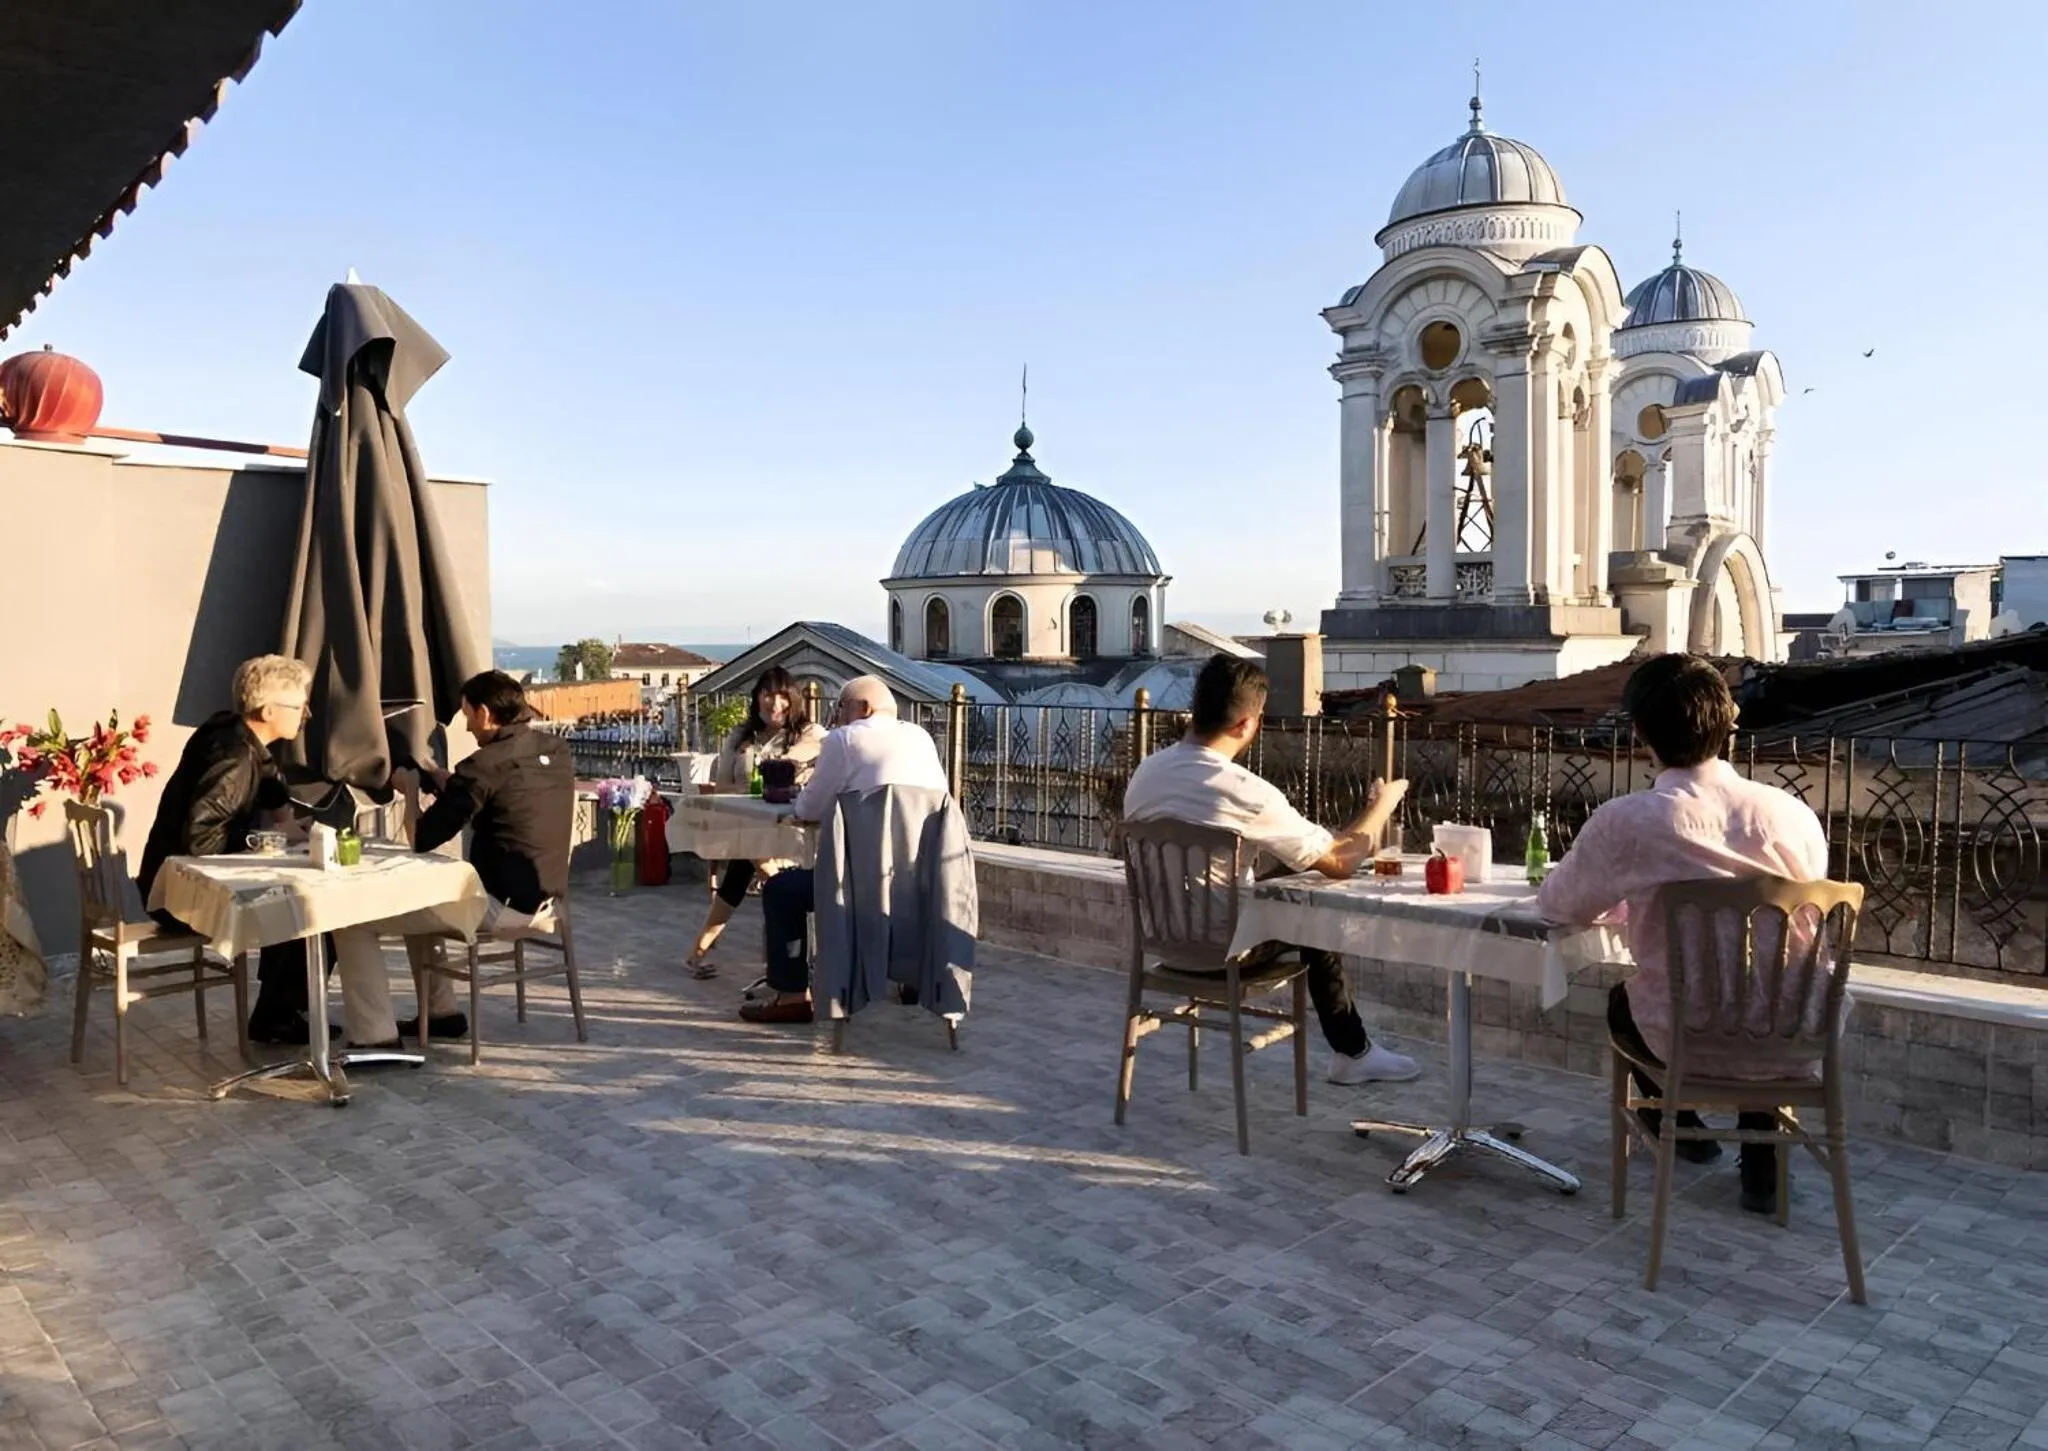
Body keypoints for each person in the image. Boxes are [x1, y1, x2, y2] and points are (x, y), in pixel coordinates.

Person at [1536, 652, 1829, 1216]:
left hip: (1683, 1040)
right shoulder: (1791, 814)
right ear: (1729, 722)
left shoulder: (1628, 822)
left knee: (1623, 1002)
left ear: (1639, 732)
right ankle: (1763, 1160)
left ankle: (1675, 1121)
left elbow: (1559, 904)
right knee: (1755, 989)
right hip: (1796, 1034)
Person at [1121, 655, 1419, 1086]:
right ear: (1247, 723)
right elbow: (1341, 863)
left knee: (1286, 869)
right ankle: (1352, 1052)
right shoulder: (1244, 792)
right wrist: (1381, 807)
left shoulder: (1145, 773)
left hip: (1164, 943)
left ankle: (1354, 1051)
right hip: (1226, 950)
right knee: (1313, 912)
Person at [331, 670, 576, 1045]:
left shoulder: (483, 765)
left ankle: (374, 1035)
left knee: (353, 920)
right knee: (423, 904)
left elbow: (422, 838)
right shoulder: (556, 750)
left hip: (498, 908)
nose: (467, 727)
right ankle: (441, 1013)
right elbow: (507, 792)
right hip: (550, 902)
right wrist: (450, 781)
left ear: (485, 713)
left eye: (466, 716)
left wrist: (411, 791)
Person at [136, 655, 335, 1045]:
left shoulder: (229, 729)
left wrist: (285, 816)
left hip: (166, 882)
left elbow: (267, 771)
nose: (307, 714)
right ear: (268, 711)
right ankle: (275, 1016)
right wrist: (272, 838)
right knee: (314, 912)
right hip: (180, 898)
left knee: (294, 901)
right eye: (300, 706)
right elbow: (201, 839)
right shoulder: (233, 759)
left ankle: (278, 1012)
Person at [741, 675, 948, 1025]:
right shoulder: (921, 738)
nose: (836, 718)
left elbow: (809, 809)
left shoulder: (845, 739)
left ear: (863, 708)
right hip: (923, 885)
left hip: (858, 890)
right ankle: (911, 978)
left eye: (840, 709)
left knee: (780, 890)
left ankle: (792, 997)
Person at [684, 667, 827, 979]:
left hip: (793, 830)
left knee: (745, 864)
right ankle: (783, 957)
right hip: (747, 823)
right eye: (767, 695)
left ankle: (701, 951)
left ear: (794, 699)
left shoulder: (811, 734)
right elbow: (722, 787)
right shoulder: (740, 736)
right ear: (757, 698)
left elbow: (798, 766)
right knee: (750, 851)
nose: (775, 703)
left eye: (782, 696)